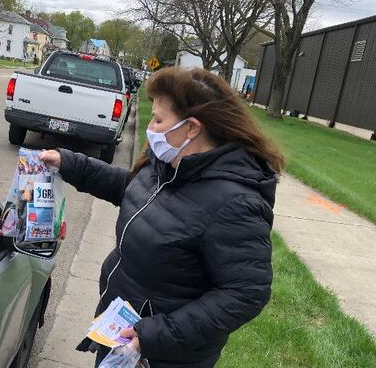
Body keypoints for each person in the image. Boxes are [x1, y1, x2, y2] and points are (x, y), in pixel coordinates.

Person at [40, 67, 284, 367]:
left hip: (161, 354)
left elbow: (246, 293)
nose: (150, 128)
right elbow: (131, 190)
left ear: (191, 128)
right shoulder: (168, 166)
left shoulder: (235, 203)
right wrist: (69, 163)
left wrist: (154, 335)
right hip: (121, 334)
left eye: (158, 120)